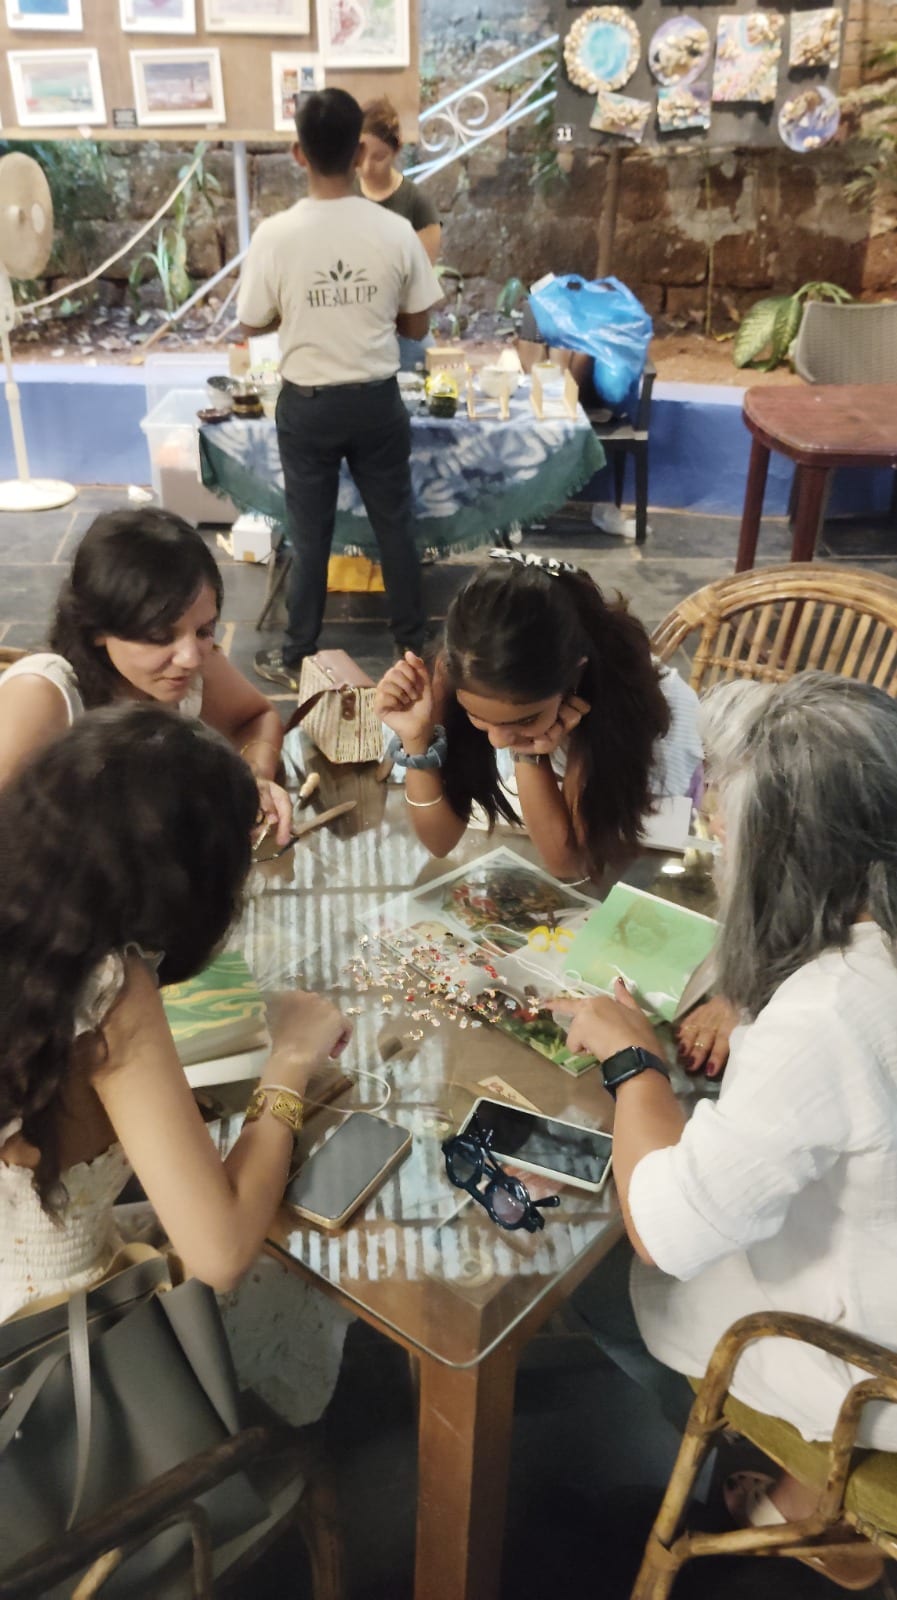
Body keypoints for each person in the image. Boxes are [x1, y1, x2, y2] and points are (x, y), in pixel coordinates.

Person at [561, 673, 897, 1588]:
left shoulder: (829, 1009)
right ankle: (802, 1487)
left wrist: (633, 1065)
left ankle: (808, 1488)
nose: (717, 846)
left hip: (872, 1369)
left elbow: (666, 1233)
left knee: (596, 1274)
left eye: (729, 834)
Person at [0, 705, 353, 1424]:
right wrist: (287, 1060)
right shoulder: (107, 987)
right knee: (314, 1270)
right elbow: (218, 1251)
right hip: (55, 1368)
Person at [237, 87, 443, 692]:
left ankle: (299, 651)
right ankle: (413, 645)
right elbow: (417, 324)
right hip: (377, 401)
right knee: (394, 527)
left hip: (308, 407)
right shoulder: (394, 229)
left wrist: (298, 313)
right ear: (358, 152)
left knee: (309, 533)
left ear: (298, 154)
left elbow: (252, 321)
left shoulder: (275, 235)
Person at [374, 551, 702, 882]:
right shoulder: (458, 674)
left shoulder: (622, 706)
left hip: (650, 837)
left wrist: (531, 756)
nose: (497, 739)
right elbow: (440, 842)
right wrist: (417, 741)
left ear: (574, 677)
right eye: (478, 716)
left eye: (525, 720)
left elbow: (571, 866)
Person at [0, 508, 293, 845]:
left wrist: (252, 778)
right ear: (97, 628)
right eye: (159, 635)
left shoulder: (192, 662)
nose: (190, 657)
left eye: (204, 629)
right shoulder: (43, 697)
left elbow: (257, 717)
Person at [359, 96, 441, 266]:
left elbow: (422, 282)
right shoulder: (343, 194)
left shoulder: (418, 205)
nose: (367, 167)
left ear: (397, 149)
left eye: (379, 157)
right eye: (359, 154)